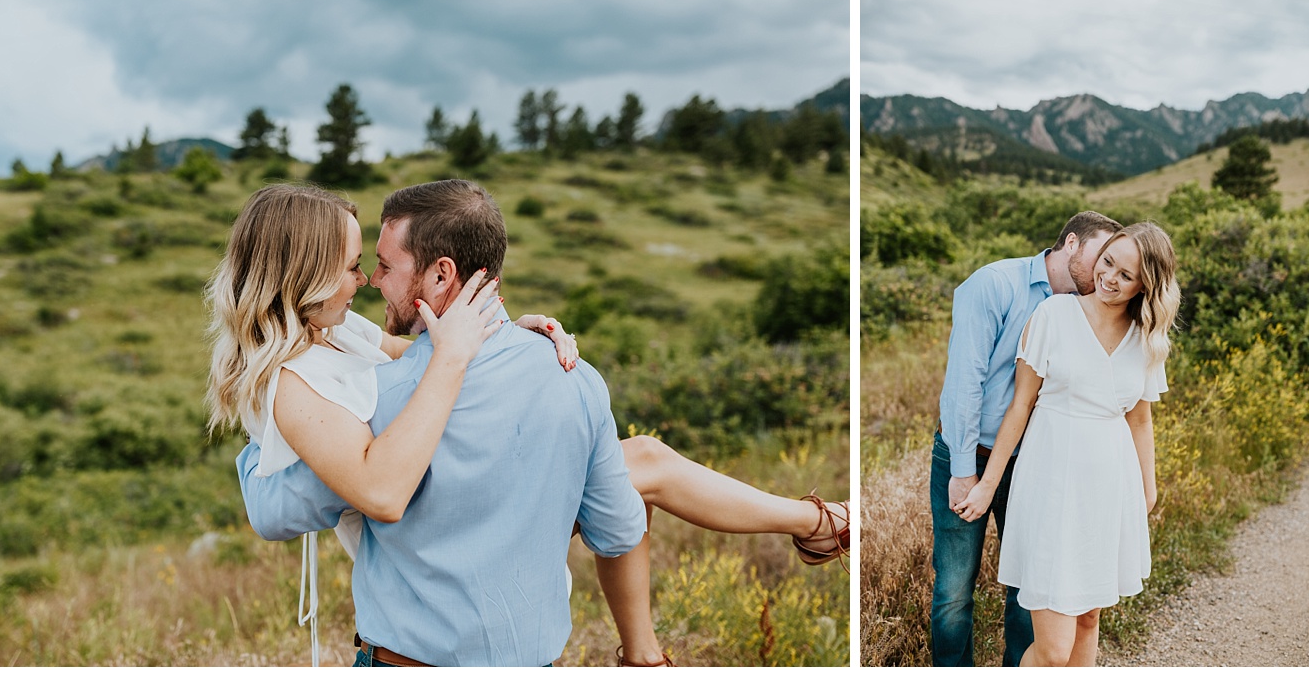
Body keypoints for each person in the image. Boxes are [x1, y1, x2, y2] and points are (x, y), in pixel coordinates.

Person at [211, 181, 848, 667]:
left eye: (374, 264)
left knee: (646, 458)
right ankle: (815, 524)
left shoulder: (367, 377)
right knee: (643, 461)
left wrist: (496, 338)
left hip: (409, 658)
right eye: (357, 265)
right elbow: (617, 529)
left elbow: (293, 503)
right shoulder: (575, 379)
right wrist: (475, 351)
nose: (368, 279)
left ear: (443, 274)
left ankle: (815, 522)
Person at [953, 221, 1178, 667]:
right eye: (1108, 261)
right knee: (1053, 650)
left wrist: (1147, 491)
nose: (1109, 278)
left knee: (1089, 620)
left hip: (1110, 486)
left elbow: (1140, 418)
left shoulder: (1147, 338)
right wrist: (986, 483)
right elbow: (1020, 407)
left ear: (1145, 287)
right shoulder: (1054, 315)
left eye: (1125, 275)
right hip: (1052, 483)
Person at [931, 210, 1123, 667]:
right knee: (954, 590)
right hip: (970, 453)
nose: (1103, 275)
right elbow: (964, 383)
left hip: (1037, 464)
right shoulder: (995, 284)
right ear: (1072, 243)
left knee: (1032, 587)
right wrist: (964, 471)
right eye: (1101, 258)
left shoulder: (1087, 310)